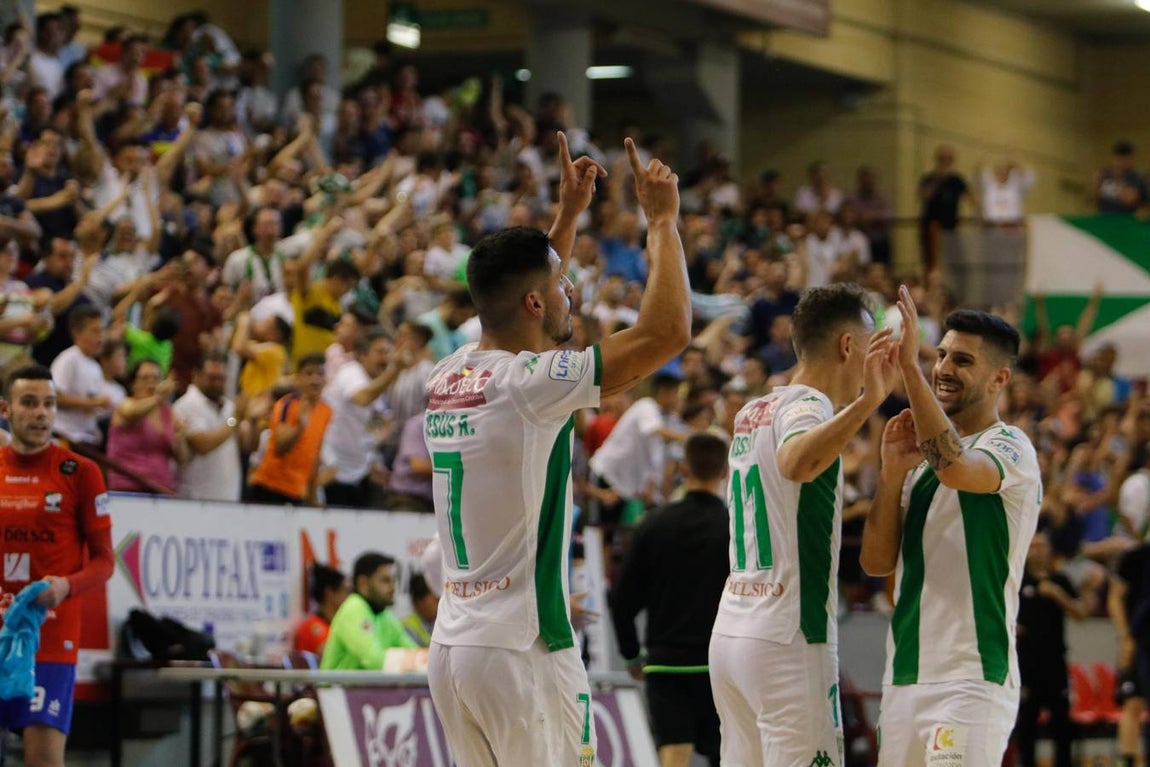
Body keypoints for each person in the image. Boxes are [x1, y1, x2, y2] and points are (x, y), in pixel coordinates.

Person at [425, 133, 691, 766]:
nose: (574, 293)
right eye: (563, 286)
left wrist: (567, 217)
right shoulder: (529, 387)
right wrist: (662, 223)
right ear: (536, 302)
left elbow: (531, 302)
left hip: (456, 647)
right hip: (521, 650)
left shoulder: (451, 373)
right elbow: (669, 330)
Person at [709, 284, 898, 766]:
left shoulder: (755, 408)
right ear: (848, 346)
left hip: (733, 629)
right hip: (787, 634)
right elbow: (796, 462)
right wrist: (867, 404)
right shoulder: (811, 406)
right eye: (872, 342)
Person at [860, 289, 1041, 767]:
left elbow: (956, 468)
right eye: (940, 355)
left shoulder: (1011, 447)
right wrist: (891, 472)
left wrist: (909, 370)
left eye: (962, 360)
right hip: (905, 674)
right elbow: (877, 561)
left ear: (999, 378)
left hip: (972, 677)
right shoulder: (921, 457)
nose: (943, 368)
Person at [0, 364, 114, 767]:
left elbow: (104, 562)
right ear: (6, 410)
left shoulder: (80, 473)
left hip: (49, 640)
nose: (41, 413)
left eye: (48, 404)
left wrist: (65, 586)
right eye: (29, 403)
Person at [610, 431, 731, 767]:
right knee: (729, 754)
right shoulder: (734, 526)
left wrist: (632, 654)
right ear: (724, 472)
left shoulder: (653, 524)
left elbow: (622, 601)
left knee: (674, 754)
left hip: (666, 664)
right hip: (720, 665)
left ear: (683, 468)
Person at [1012, 531, 1092, 767]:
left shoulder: (1060, 580)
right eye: (1033, 546)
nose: (1038, 550)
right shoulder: (1018, 583)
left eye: (1042, 546)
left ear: (1050, 549)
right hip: (1026, 662)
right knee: (1027, 724)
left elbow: (1081, 613)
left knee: (1061, 724)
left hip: (1055, 661)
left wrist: (1058, 596)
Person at [248, 354, 332, 506]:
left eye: (320, 374)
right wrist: (300, 427)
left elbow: (315, 455)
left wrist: (312, 496)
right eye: (309, 374)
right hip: (270, 487)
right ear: (298, 379)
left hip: (298, 491)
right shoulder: (287, 404)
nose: (315, 380)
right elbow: (280, 448)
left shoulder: (326, 411)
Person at [320, 552, 416, 670]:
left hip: (364, 687)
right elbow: (374, 661)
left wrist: (417, 661)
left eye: (393, 580)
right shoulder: (354, 608)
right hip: (336, 688)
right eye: (385, 581)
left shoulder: (383, 615)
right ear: (363, 583)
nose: (393, 587)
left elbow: (414, 652)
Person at [105, 359, 186, 494]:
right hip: (127, 487)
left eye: (155, 378)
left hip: (161, 488)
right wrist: (158, 398)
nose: (151, 383)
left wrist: (180, 440)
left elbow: (183, 458)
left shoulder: (168, 412)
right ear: (133, 384)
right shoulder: (126, 404)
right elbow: (131, 414)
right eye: (144, 378)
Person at [172, 354, 244, 502]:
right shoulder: (186, 404)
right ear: (196, 375)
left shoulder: (229, 406)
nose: (217, 383)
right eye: (212, 378)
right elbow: (203, 445)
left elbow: (247, 444)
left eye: (221, 378)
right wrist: (235, 420)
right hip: (196, 497)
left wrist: (253, 420)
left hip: (228, 496)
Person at [294, 563, 349, 656]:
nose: (349, 596)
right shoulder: (312, 626)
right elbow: (332, 656)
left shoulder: (336, 625)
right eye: (345, 590)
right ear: (329, 593)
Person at [402, 574, 439, 648]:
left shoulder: (441, 622)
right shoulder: (408, 628)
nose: (439, 604)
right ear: (420, 602)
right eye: (436, 600)